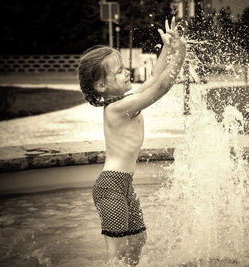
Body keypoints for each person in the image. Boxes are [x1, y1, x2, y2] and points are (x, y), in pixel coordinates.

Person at [77, 17, 186, 266]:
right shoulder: (119, 109)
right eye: (118, 72)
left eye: (124, 67)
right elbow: (161, 87)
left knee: (138, 241)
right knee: (116, 252)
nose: (126, 72)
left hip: (125, 185)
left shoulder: (123, 102)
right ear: (101, 85)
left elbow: (152, 80)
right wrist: (181, 54)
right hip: (111, 187)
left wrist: (168, 49)